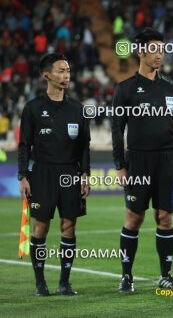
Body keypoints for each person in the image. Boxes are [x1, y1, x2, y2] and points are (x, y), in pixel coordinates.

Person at [112, 28, 173, 293]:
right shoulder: (125, 89)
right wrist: (120, 165)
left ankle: (166, 275)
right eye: (153, 50)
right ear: (140, 52)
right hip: (138, 161)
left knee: (165, 217)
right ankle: (126, 276)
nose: (159, 55)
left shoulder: (172, 87)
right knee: (134, 218)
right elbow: (117, 129)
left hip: (168, 160)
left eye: (162, 50)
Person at [18, 53, 91, 296]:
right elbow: (24, 145)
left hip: (70, 172)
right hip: (42, 173)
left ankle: (64, 282)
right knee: (41, 228)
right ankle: (40, 283)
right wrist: (22, 176)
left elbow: (83, 147)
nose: (66, 75)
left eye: (68, 70)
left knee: (68, 227)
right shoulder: (33, 109)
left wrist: (85, 175)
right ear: (46, 74)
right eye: (60, 70)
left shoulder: (78, 109)